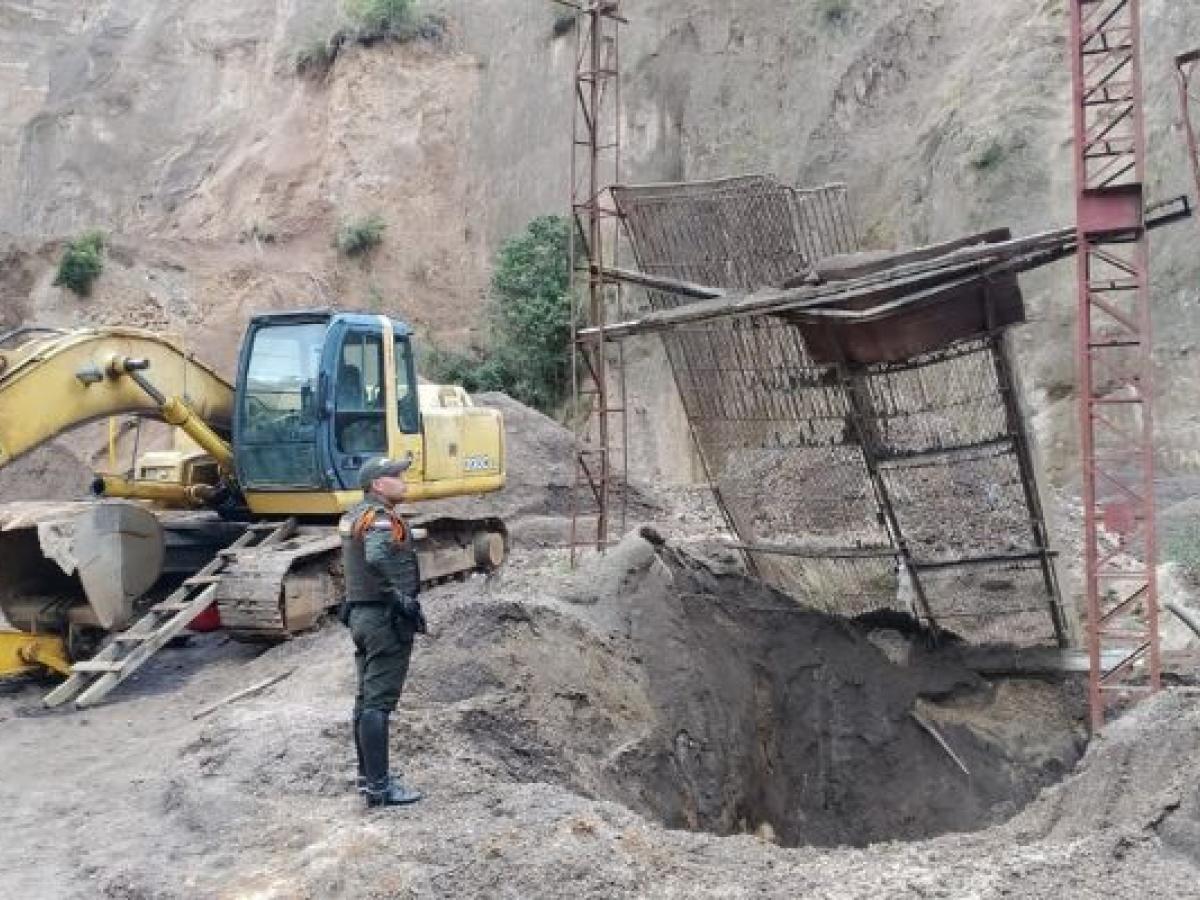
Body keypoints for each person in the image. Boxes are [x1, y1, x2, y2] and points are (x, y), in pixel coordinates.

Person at [338, 454, 427, 807]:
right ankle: (380, 788)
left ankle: (368, 776)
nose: (403, 481)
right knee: (378, 703)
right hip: (382, 620)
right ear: (377, 484)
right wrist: (397, 598)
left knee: (364, 699)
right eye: (396, 476)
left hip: (361, 616)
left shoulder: (354, 515)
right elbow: (375, 558)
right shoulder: (379, 519)